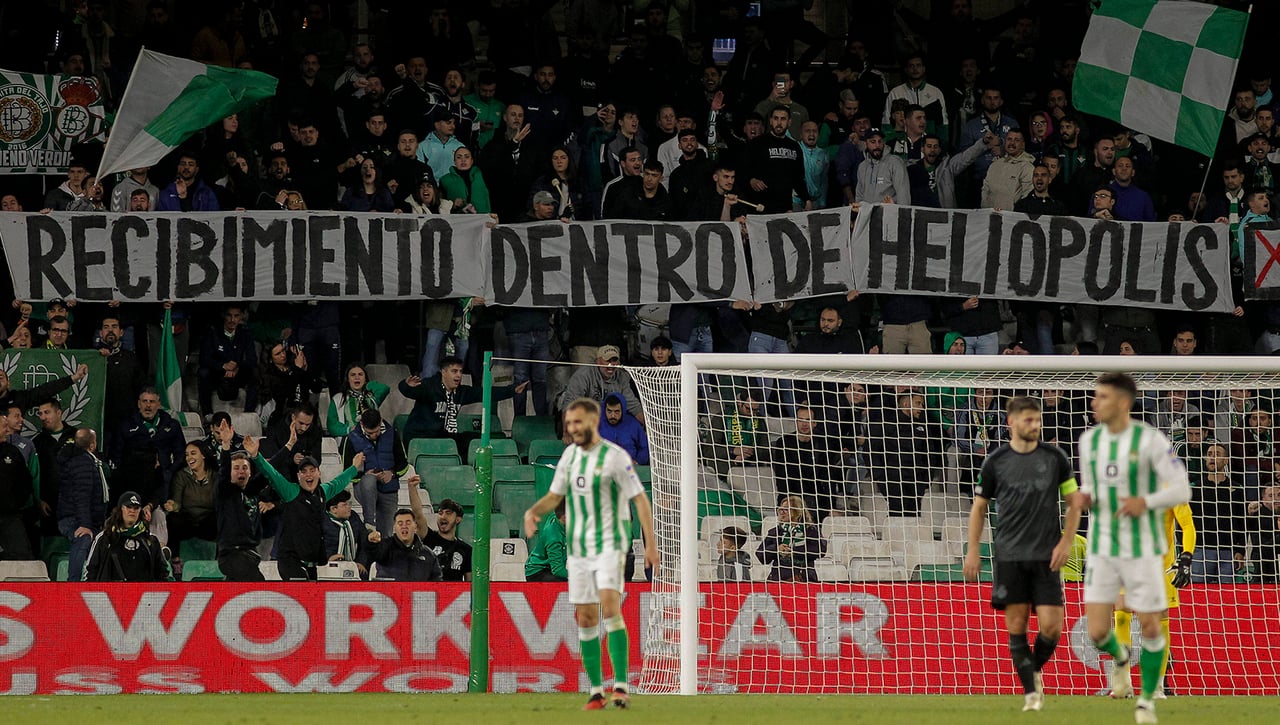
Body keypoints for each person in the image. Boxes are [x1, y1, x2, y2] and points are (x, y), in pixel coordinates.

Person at [522, 398, 659, 710]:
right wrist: (533, 512)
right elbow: (555, 495)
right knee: (584, 616)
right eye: (569, 423)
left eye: (577, 422)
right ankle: (597, 690)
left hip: (609, 543)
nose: (572, 429)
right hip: (579, 549)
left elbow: (639, 500)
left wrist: (650, 544)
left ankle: (621, 686)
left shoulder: (615, 457)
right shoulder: (570, 456)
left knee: (610, 607)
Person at [1077, 373, 1191, 724]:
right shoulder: (1090, 444)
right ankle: (1122, 672)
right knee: (1107, 624)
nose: (1094, 404)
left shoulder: (1157, 451)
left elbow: (1183, 505)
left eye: (1102, 397)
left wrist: (1184, 557)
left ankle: (1152, 689)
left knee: (1153, 622)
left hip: (1153, 556)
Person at [963, 396, 1085, 712]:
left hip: (1047, 555)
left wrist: (1066, 542)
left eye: (1037, 419)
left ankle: (1034, 668)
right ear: (1011, 423)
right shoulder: (995, 461)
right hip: (1010, 556)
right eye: (1028, 420)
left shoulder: (1056, 458)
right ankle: (1032, 693)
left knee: (1051, 627)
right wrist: (973, 550)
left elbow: (1074, 504)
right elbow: (979, 508)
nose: (1035, 425)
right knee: (1016, 624)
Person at [243, 432, 363, 581]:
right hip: (290, 561)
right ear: (298, 475)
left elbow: (339, 482)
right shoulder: (291, 492)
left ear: (319, 473)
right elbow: (272, 474)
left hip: (311, 563)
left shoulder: (323, 492)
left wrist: (354, 467)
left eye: (312, 470)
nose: (308, 475)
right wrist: (256, 456)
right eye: (304, 471)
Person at [1112, 500, 1195, 699]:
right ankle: (1123, 684)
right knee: (1121, 613)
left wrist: (1186, 557)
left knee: (1157, 622)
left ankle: (1156, 686)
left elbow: (1187, 524)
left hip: (1159, 565)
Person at [399, 357, 523, 457]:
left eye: (460, 371)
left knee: (474, 440)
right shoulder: (429, 387)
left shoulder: (461, 392)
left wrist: (512, 390)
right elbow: (411, 391)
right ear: (443, 372)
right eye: (454, 371)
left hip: (442, 436)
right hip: (419, 436)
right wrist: (406, 385)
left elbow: (484, 393)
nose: (458, 375)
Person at [343, 409, 408, 536]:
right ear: (362, 425)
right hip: (364, 488)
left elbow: (403, 465)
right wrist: (365, 474)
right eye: (369, 433)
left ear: (381, 422)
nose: (373, 436)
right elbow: (347, 471)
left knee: (386, 535)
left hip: (389, 488)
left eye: (376, 432)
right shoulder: (351, 439)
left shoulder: (392, 434)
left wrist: (392, 474)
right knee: (369, 480)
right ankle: (369, 523)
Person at [83, 491, 171, 582]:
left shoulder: (150, 540)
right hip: (110, 593)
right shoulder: (105, 537)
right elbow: (90, 571)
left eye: (136, 508)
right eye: (128, 507)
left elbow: (162, 574)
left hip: (143, 594)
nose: (132, 511)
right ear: (121, 509)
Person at [56, 429, 108, 582]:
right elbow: (82, 495)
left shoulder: (87, 460)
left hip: (85, 518)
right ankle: (73, 583)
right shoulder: (83, 462)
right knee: (83, 537)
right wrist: (85, 524)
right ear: (92, 445)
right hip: (74, 519)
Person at [197, 305, 258, 416]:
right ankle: (207, 414)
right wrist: (222, 366)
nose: (232, 320)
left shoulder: (245, 334)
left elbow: (252, 359)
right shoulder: (213, 332)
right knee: (203, 373)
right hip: (218, 374)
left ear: (241, 317)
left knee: (254, 372)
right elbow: (204, 359)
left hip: (237, 374)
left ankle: (249, 413)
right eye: (229, 315)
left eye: (236, 316)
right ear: (223, 315)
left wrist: (237, 367)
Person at [164, 440, 219, 560]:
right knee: (172, 519)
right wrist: (172, 505)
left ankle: (221, 560)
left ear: (203, 455)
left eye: (193, 453)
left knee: (222, 519)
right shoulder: (181, 476)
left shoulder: (215, 477)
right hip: (187, 521)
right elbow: (177, 502)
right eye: (187, 455)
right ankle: (175, 561)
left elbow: (219, 504)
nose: (189, 457)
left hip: (208, 523)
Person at [363, 504, 443, 581]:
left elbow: (437, 582)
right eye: (400, 523)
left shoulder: (428, 554)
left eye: (408, 523)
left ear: (415, 526)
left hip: (419, 594)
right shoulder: (385, 547)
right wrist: (370, 541)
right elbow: (373, 552)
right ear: (394, 528)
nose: (404, 526)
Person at [759, 494, 824, 582]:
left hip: (805, 578)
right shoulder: (776, 532)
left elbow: (820, 550)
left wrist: (793, 551)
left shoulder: (811, 530)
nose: (782, 512)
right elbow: (760, 555)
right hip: (778, 579)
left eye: (786, 509)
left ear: (798, 512)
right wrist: (776, 549)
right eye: (780, 509)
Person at [321, 489, 375, 578]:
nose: (349, 507)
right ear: (333, 509)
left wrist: (361, 562)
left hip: (353, 565)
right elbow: (313, 546)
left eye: (349, 504)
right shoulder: (321, 521)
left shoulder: (353, 517)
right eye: (345, 505)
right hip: (327, 566)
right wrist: (328, 559)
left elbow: (364, 541)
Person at [327, 363, 390, 439]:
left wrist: (367, 385)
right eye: (353, 375)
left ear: (365, 378)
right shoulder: (338, 398)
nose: (357, 377)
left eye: (360, 374)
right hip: (350, 438)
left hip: (372, 437)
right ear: (348, 379)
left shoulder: (371, 396)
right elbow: (332, 425)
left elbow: (384, 388)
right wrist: (349, 429)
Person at [424, 498, 472, 581]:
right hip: (430, 592)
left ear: (458, 519)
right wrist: (412, 488)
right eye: (440, 513)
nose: (443, 516)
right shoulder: (428, 538)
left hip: (454, 593)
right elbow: (417, 515)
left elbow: (469, 583)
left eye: (448, 513)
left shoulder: (466, 549)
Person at [598, 392, 649, 465]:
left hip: (630, 468)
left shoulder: (633, 424)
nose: (612, 415)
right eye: (609, 411)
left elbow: (644, 447)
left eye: (617, 412)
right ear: (604, 409)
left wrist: (638, 462)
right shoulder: (596, 424)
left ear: (623, 410)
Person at [525, 499, 568, 582]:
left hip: (548, 567)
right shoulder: (554, 537)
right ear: (564, 517)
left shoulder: (556, 517)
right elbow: (557, 570)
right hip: (537, 572)